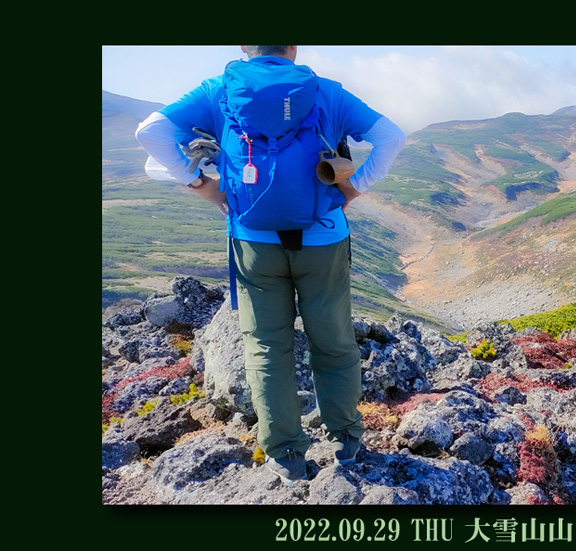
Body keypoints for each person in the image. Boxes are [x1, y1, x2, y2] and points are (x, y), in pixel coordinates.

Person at [135, 46, 407, 485]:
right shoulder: (326, 92)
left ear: (246, 45)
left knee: (266, 347)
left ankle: (285, 454)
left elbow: (150, 132)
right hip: (323, 237)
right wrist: (353, 188)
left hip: (253, 242)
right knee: (333, 342)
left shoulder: (218, 91)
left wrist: (199, 183)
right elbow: (391, 137)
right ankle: (346, 441)